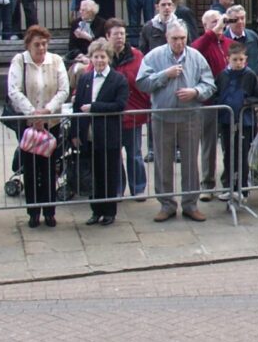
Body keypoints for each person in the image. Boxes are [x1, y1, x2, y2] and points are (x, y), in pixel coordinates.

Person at [138, 19, 215, 223]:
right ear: (167, 38)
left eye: (182, 38)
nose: (179, 42)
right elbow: (142, 83)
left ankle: (190, 204)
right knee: (163, 162)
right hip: (163, 117)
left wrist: (195, 91)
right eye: (175, 39)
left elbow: (209, 83)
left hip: (190, 117)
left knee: (191, 161)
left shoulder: (196, 57)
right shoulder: (154, 56)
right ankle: (167, 204)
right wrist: (165, 75)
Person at [6, 25, 68, 228]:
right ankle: (33, 212)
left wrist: (47, 111)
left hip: (51, 122)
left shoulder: (56, 61)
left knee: (50, 168)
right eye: (37, 44)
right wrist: (32, 113)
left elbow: (63, 90)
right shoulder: (19, 61)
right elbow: (14, 90)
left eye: (44, 44)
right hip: (29, 124)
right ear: (28, 45)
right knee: (31, 169)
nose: (41, 48)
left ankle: (50, 211)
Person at [72, 37, 128, 224]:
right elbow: (77, 107)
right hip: (89, 135)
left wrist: (95, 107)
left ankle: (109, 212)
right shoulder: (85, 78)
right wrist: (75, 133)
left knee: (109, 174)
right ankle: (95, 211)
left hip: (109, 134)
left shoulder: (118, 79)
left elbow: (120, 105)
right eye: (96, 57)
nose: (99, 60)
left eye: (103, 57)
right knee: (94, 175)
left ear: (109, 58)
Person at [105, 19, 150, 198]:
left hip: (132, 114)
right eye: (115, 34)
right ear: (107, 36)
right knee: (114, 156)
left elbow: (145, 80)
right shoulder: (103, 56)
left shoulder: (137, 55)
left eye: (122, 34)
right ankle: (117, 189)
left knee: (135, 154)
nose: (120, 37)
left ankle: (138, 188)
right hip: (111, 115)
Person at [214, 36, 258, 199]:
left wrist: (246, 101)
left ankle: (242, 189)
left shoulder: (249, 75)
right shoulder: (223, 75)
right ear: (228, 59)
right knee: (228, 155)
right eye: (235, 60)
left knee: (242, 155)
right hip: (227, 122)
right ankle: (229, 187)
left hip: (245, 122)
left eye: (241, 59)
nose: (238, 63)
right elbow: (216, 94)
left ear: (246, 59)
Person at [192, 9, 229, 202]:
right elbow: (195, 49)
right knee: (208, 144)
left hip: (228, 102)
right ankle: (207, 184)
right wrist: (212, 33)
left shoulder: (229, 44)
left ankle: (228, 182)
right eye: (213, 22)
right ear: (205, 25)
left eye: (220, 21)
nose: (219, 25)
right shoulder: (203, 44)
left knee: (230, 144)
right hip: (208, 102)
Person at [221, 4, 258, 72]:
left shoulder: (253, 36)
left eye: (242, 18)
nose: (240, 22)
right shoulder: (222, 39)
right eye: (236, 19)